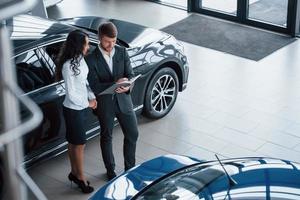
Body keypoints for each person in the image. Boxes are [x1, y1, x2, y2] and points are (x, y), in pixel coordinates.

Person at [86, 22, 139, 181]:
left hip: (124, 100)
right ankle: (110, 171)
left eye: (114, 41)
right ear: (100, 38)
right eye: (108, 41)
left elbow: (130, 74)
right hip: (105, 104)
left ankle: (130, 169)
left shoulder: (122, 52)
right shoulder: (90, 59)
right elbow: (94, 85)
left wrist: (128, 85)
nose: (111, 45)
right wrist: (115, 84)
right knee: (106, 136)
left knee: (133, 133)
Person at [56, 30, 96, 193]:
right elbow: (71, 94)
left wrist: (91, 95)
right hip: (73, 110)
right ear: (79, 45)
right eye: (86, 43)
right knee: (79, 144)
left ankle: (74, 173)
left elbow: (84, 82)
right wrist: (88, 103)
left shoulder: (80, 60)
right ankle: (80, 177)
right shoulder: (67, 66)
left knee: (74, 143)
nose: (88, 45)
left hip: (81, 108)